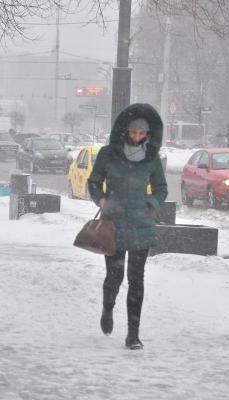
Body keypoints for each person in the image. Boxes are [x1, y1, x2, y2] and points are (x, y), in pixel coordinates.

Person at [87, 103, 168, 350]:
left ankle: (133, 334)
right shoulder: (107, 154)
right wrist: (102, 199)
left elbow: (162, 189)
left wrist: (151, 203)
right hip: (113, 224)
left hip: (141, 225)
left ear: (148, 134)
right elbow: (94, 182)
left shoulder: (152, 159)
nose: (137, 137)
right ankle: (107, 308)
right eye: (133, 133)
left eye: (142, 134)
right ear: (124, 131)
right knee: (114, 276)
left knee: (137, 279)